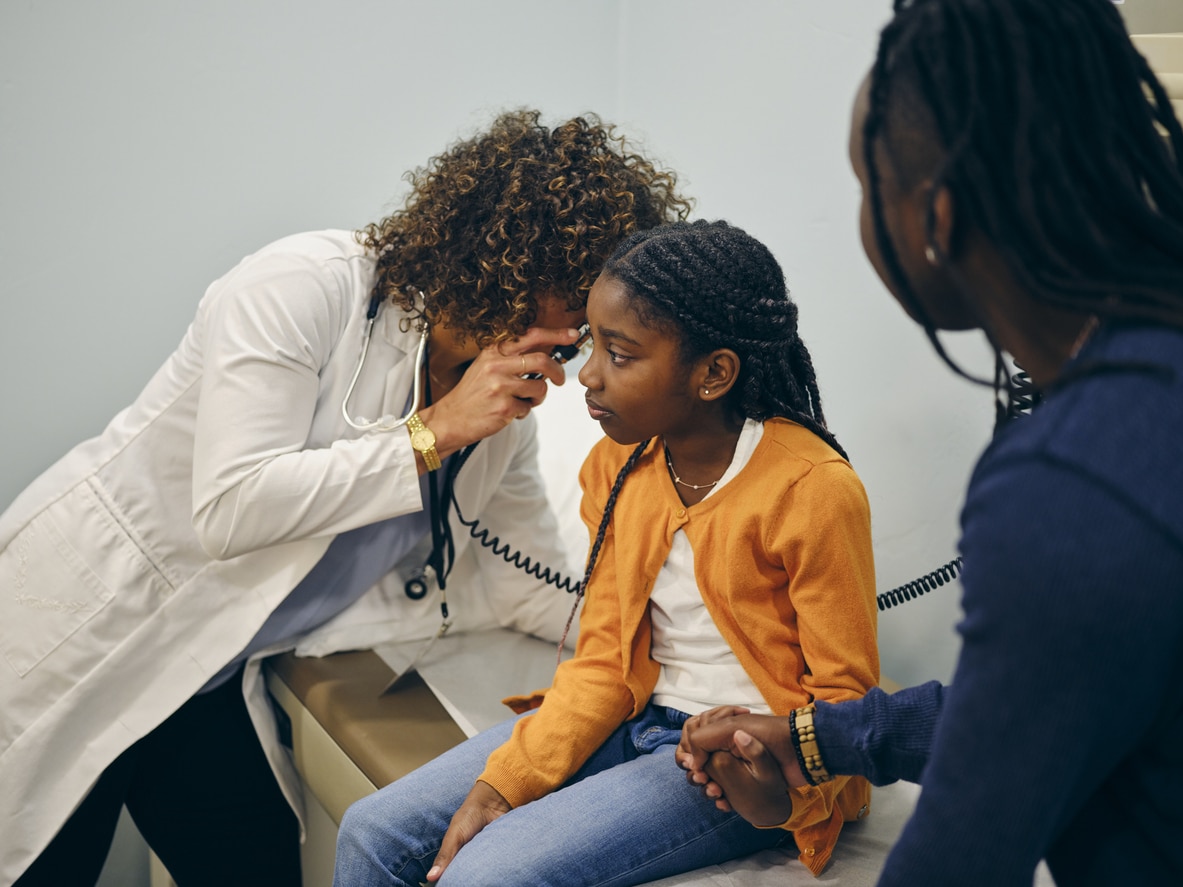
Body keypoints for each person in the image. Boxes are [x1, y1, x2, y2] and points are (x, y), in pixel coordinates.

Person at [0, 108, 692, 887]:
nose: (588, 343)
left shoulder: (503, 419)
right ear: (513, 265)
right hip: (93, 630)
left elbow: (524, 582)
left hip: (202, 673)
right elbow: (233, 506)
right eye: (583, 307)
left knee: (254, 858)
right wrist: (432, 432)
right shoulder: (304, 286)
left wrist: (675, 642)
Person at [677, 1, 1183, 884]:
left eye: (867, 189)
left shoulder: (1068, 482)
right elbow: (1042, 696)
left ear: (935, 219)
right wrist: (819, 734)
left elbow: (964, 851)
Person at [332, 219, 880, 887]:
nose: (585, 376)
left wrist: (785, 788)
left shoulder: (811, 488)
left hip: (733, 759)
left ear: (712, 373)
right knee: (373, 830)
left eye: (618, 355)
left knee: (488, 876)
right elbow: (602, 662)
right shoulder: (617, 466)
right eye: (593, 347)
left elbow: (846, 698)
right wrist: (506, 782)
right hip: (629, 713)